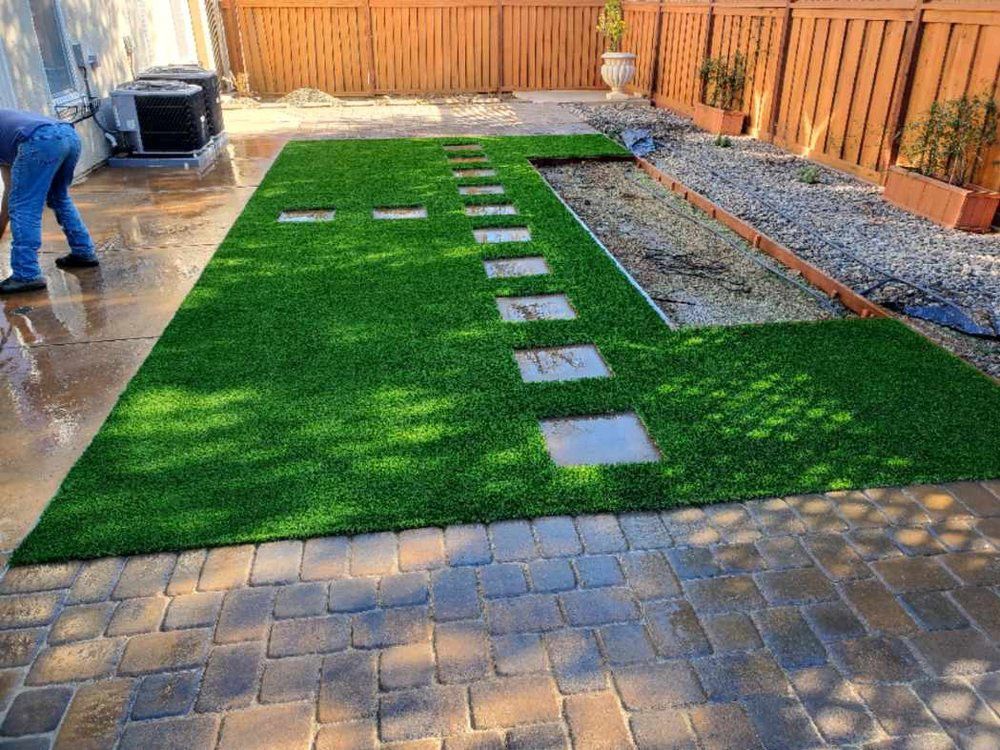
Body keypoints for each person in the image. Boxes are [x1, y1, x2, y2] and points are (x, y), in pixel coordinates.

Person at [0, 108, 99, 295]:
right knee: (59, 197)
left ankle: (26, 274)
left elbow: (15, 197)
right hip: (68, 135)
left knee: (24, 207)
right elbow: (10, 187)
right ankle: (83, 252)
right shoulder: (7, 127)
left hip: (39, 141)